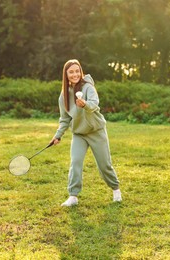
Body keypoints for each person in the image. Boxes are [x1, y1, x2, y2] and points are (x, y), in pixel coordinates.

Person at [51, 59, 122, 207]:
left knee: (104, 165)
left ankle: (116, 189)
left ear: (81, 72)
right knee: (75, 162)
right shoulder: (63, 96)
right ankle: (73, 196)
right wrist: (58, 135)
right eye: (71, 72)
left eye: (77, 71)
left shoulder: (88, 87)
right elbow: (64, 119)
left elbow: (95, 104)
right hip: (79, 134)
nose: (75, 74)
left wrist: (85, 105)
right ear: (66, 74)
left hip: (96, 131)